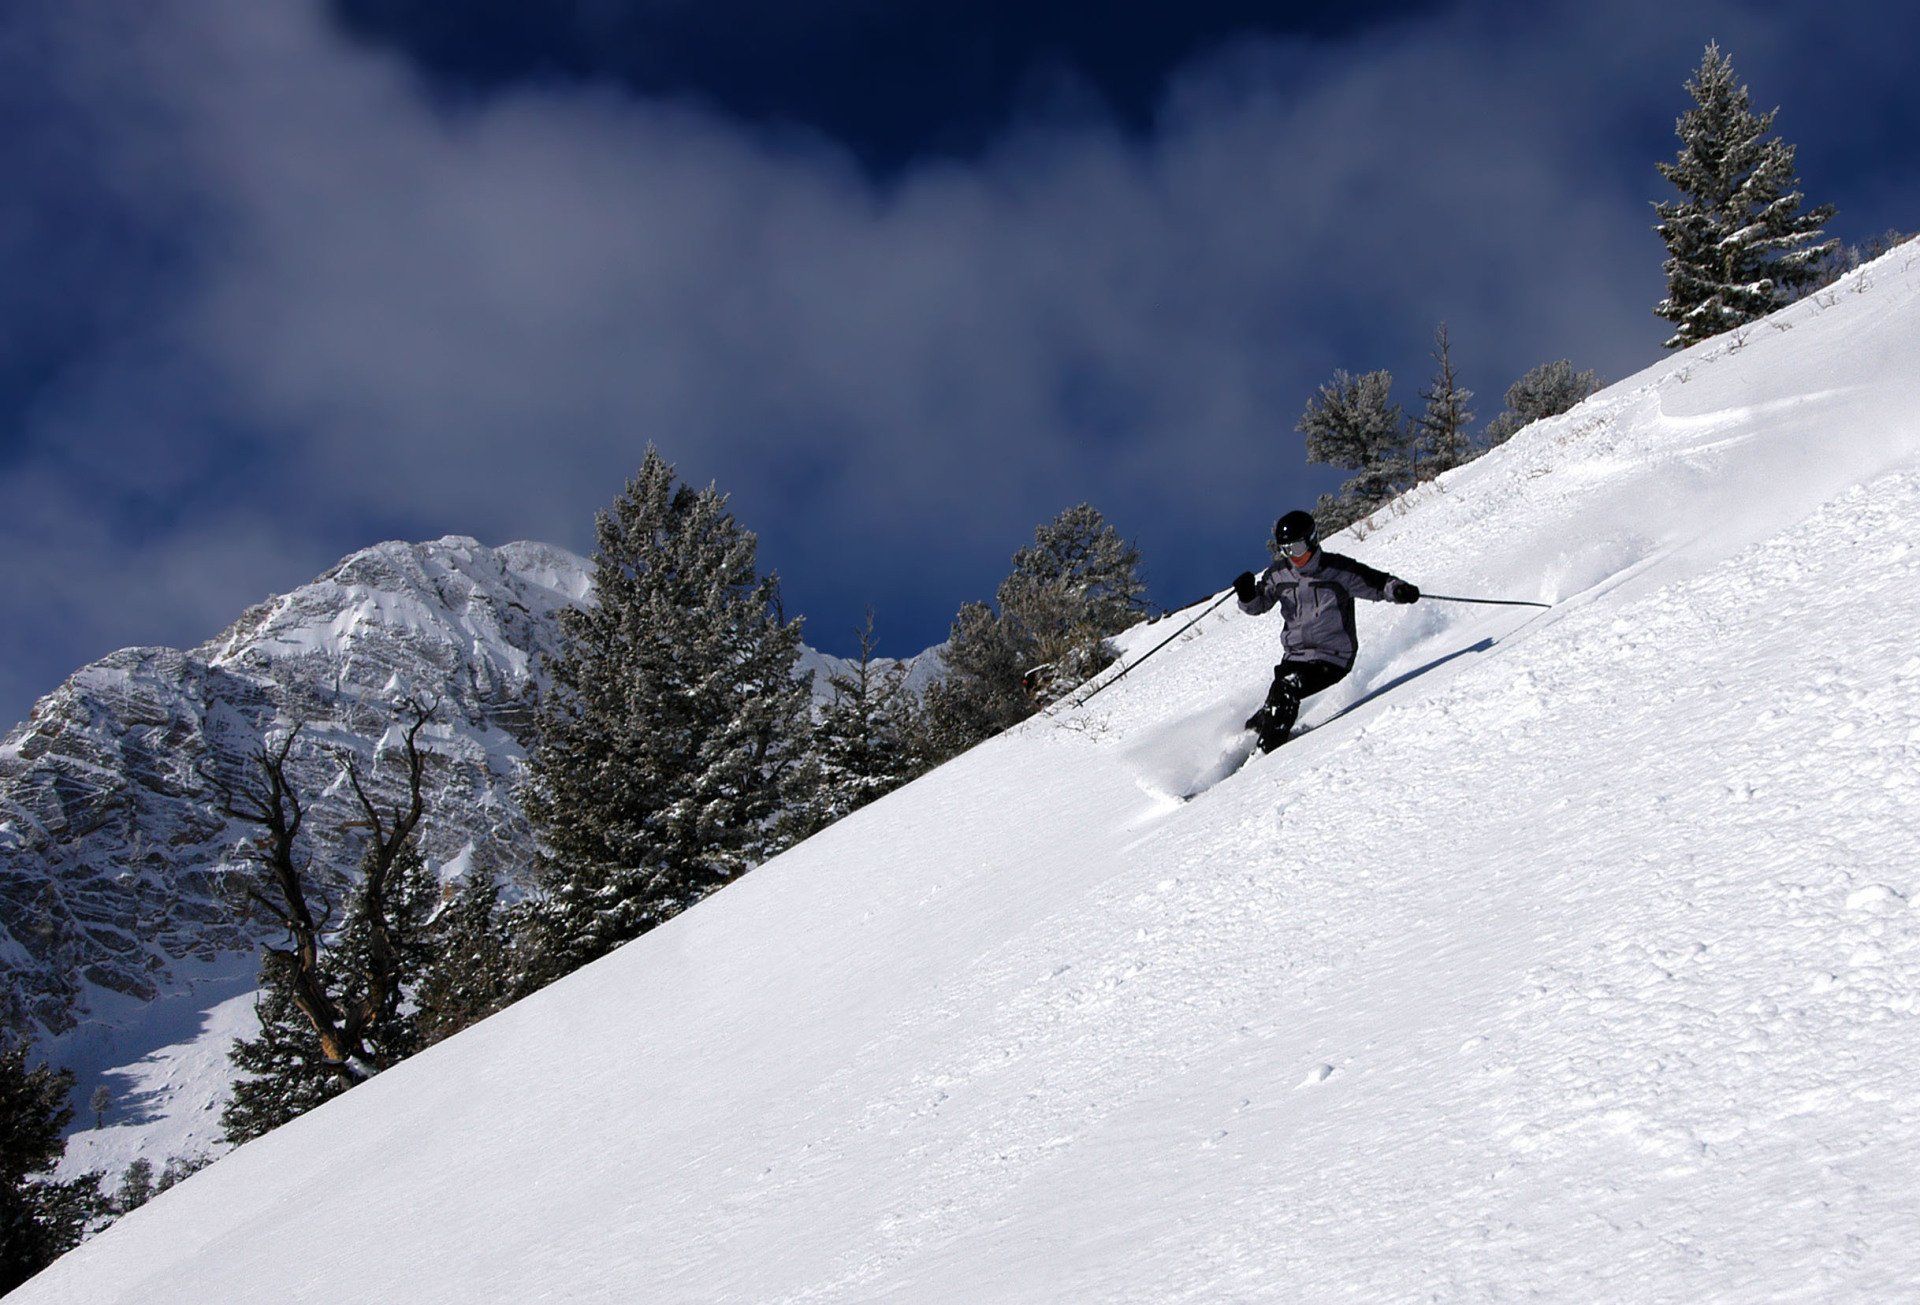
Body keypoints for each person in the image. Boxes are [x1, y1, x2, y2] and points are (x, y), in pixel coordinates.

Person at [1233, 509, 1419, 752]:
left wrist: (1399, 590)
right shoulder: (1278, 575)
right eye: (1286, 550)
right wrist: (1247, 594)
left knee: (1286, 689)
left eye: (1297, 549)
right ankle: (1241, 745)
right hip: (1295, 657)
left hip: (1332, 657)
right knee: (1271, 707)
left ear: (1311, 540)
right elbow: (1258, 605)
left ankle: (1265, 755)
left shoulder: (1337, 570)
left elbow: (1376, 583)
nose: (1293, 557)